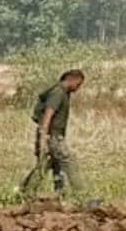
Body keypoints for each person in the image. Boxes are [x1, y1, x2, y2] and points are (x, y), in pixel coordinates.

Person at [20, 69, 87, 197]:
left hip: (52, 135)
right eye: (78, 85)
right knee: (68, 161)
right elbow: (48, 115)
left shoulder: (63, 92)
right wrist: (43, 138)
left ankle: (27, 190)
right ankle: (82, 195)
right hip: (52, 135)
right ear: (71, 79)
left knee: (46, 163)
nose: (78, 89)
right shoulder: (58, 93)